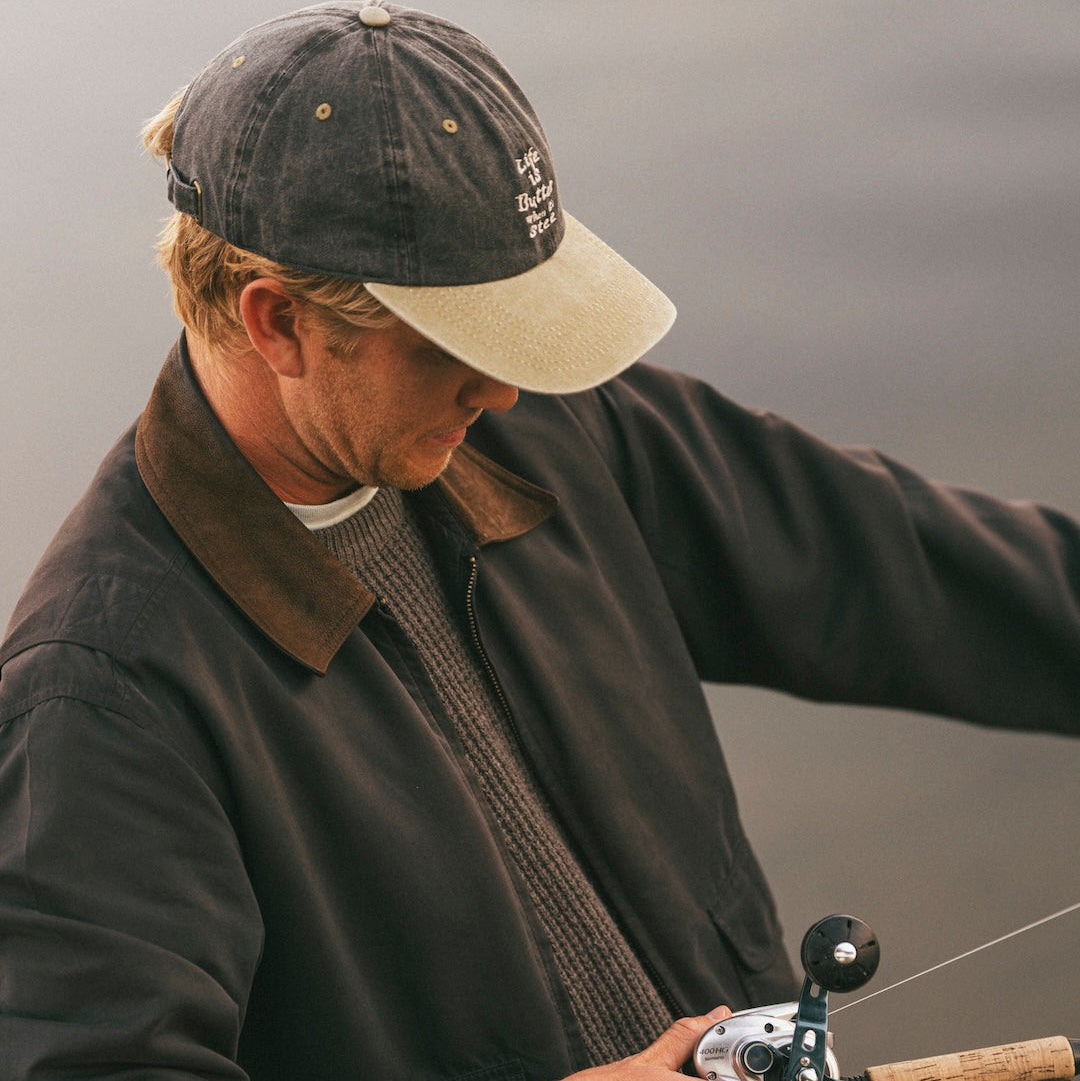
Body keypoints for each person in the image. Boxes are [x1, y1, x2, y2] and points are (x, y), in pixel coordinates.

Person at [1, 3, 1077, 1079]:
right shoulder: (98, 696)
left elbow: (905, 570)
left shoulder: (542, 428)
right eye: (456, 341)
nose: (507, 383)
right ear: (277, 320)